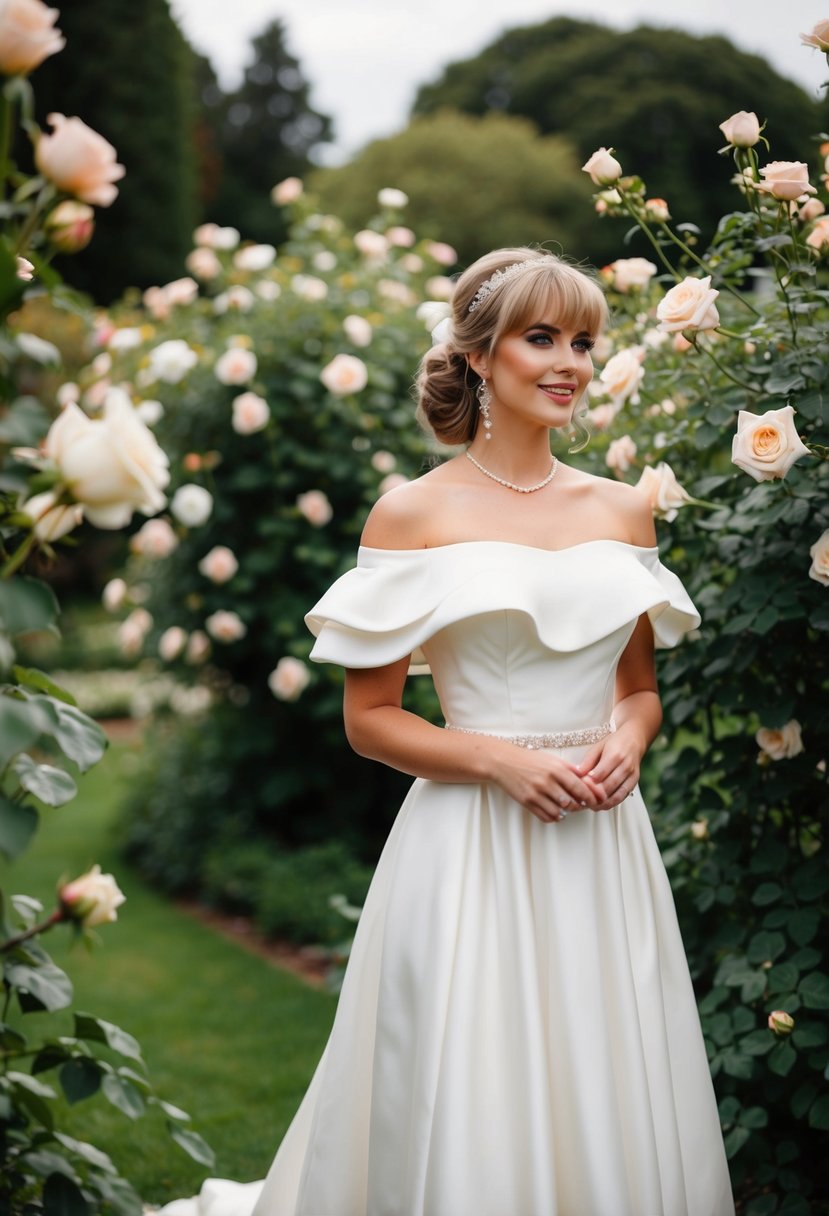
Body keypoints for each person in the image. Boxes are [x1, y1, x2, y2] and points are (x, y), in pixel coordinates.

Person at [161, 247, 734, 1216]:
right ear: (478, 356)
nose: (569, 362)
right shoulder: (412, 512)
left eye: (584, 341)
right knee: (469, 1074)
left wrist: (627, 743)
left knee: (602, 1065)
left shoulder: (622, 508)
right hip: (469, 846)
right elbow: (370, 718)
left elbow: (637, 690)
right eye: (540, 337)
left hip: (600, 842)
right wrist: (501, 760)